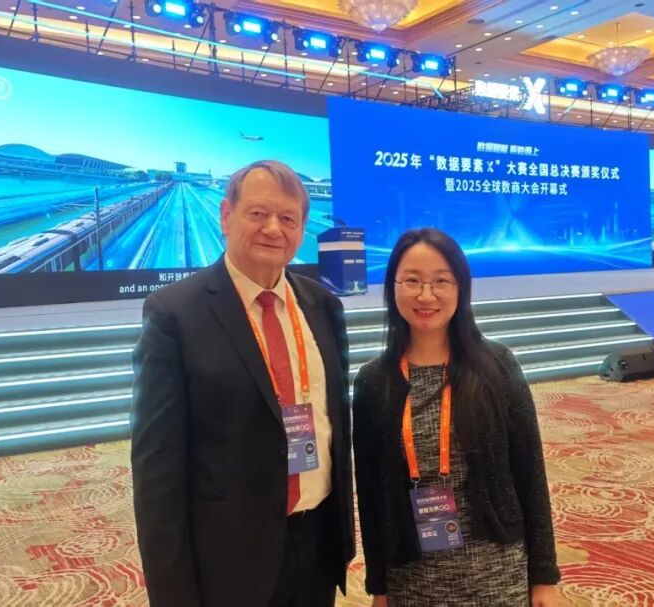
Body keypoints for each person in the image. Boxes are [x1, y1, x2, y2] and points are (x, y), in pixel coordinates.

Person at [131, 160, 354, 607]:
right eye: (258, 213)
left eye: (288, 218)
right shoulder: (175, 314)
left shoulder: (322, 305)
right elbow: (157, 471)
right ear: (226, 216)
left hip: (316, 543)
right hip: (231, 558)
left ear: (301, 230)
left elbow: (334, 424)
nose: (273, 228)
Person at [352, 228, 561, 607]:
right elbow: (370, 495)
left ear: (460, 288)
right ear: (392, 287)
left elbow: (530, 473)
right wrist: (378, 586)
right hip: (411, 578)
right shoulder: (373, 382)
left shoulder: (497, 366)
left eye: (441, 281)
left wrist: (545, 575)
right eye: (412, 281)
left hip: (497, 571)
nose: (426, 295)